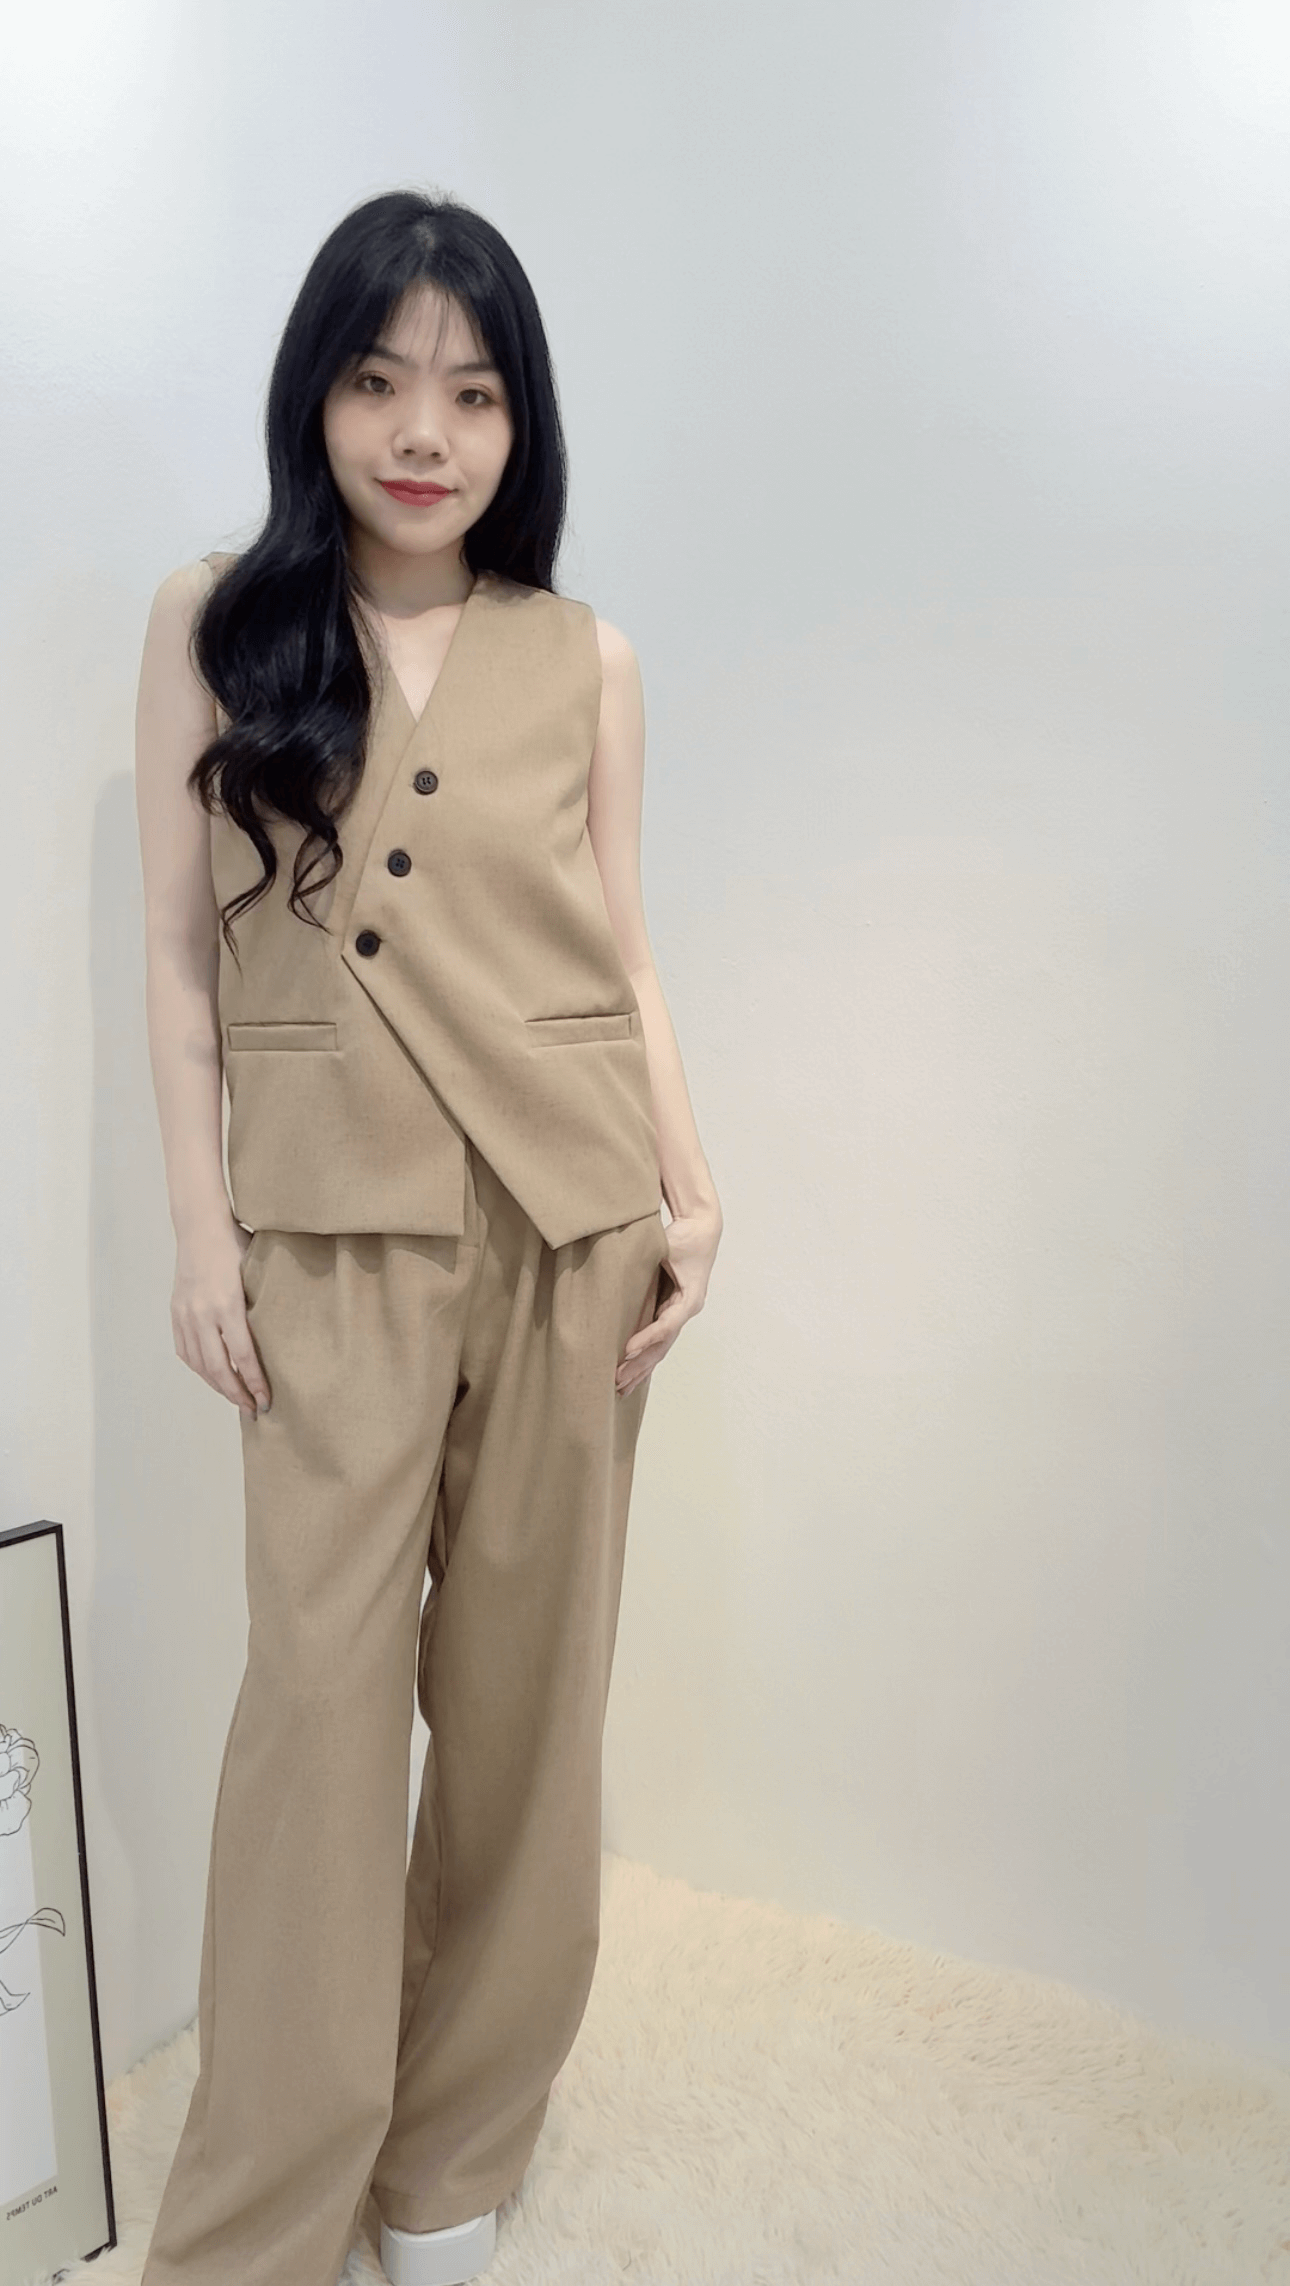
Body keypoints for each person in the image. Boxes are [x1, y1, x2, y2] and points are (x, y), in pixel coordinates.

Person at [133, 187, 722, 2286]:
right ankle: (264, 2210)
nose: (421, 432)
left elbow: (622, 949)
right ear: (317, 394)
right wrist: (201, 1232)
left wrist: (692, 1183)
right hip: (329, 1236)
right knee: (317, 1718)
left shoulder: (589, 657)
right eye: (379, 381)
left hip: (570, 1223)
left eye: (471, 395)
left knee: (525, 1717)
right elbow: (178, 961)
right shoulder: (217, 624)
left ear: (517, 423)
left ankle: (453, 2153)